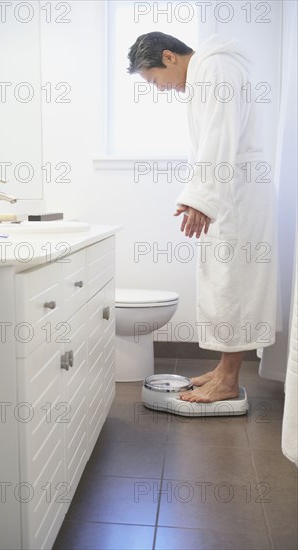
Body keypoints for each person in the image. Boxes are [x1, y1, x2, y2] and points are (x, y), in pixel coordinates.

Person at [127, 32, 277, 403]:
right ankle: (225, 367)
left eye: (154, 80)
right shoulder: (209, 71)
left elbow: (219, 137)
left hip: (236, 193)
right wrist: (199, 195)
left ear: (169, 57)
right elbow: (214, 142)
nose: (160, 89)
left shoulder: (215, 67)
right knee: (223, 281)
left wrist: (202, 199)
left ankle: (228, 379)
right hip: (229, 191)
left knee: (234, 284)